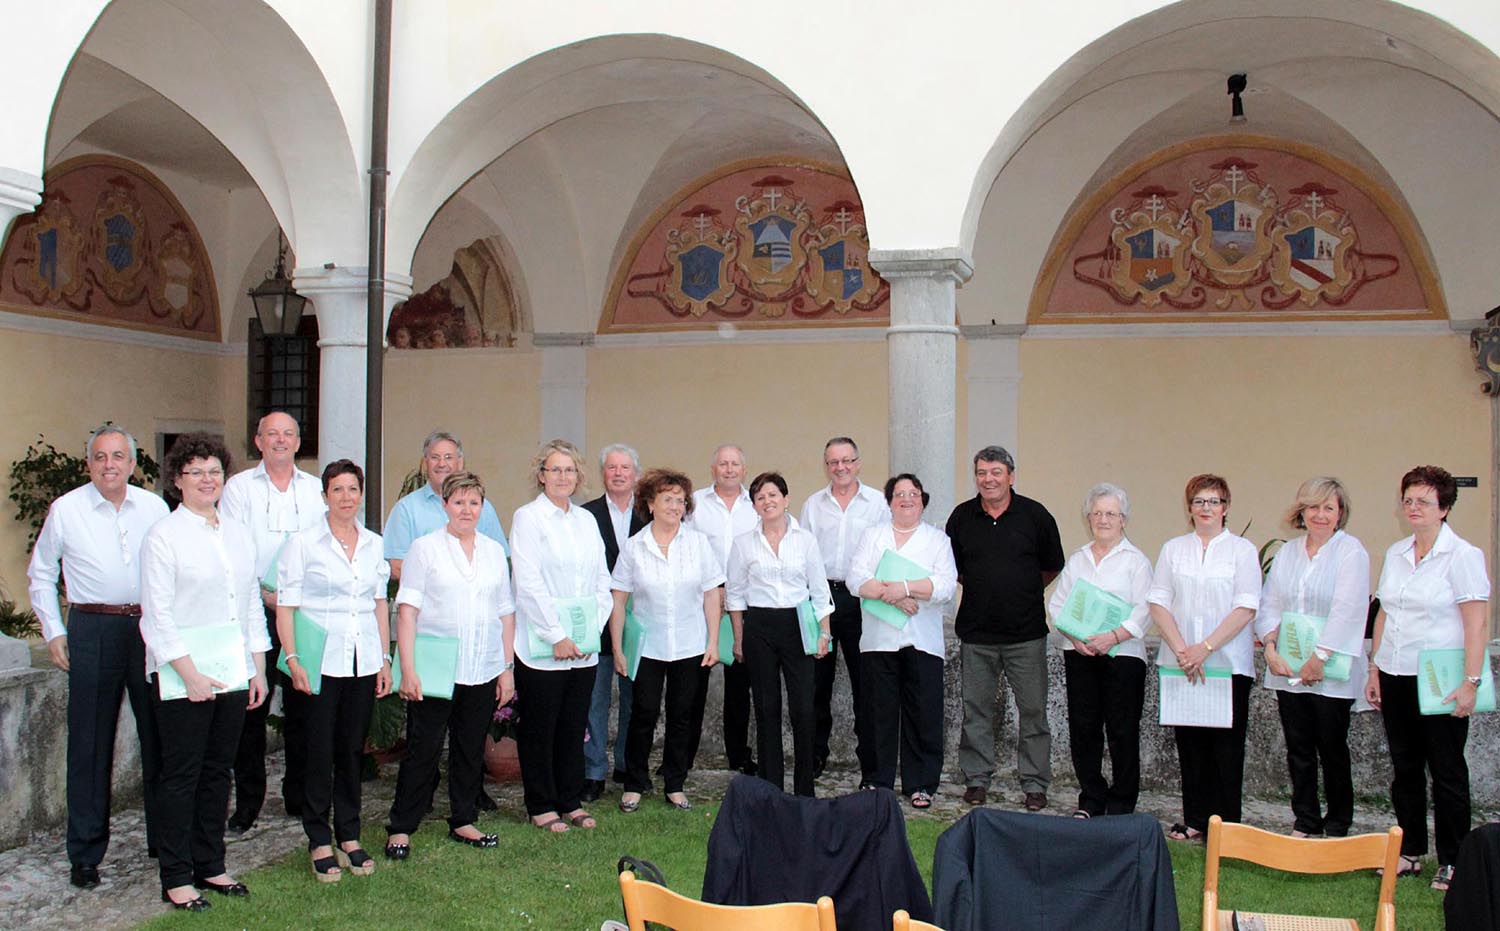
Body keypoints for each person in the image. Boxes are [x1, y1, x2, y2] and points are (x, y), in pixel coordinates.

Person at [28, 424, 169, 890]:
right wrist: (54, 631)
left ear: (133, 464)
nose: (110, 465)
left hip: (147, 628)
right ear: (89, 464)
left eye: (118, 456)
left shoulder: (154, 508)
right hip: (93, 628)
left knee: (161, 736)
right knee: (90, 743)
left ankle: (165, 841)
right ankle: (85, 854)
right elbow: (41, 573)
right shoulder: (66, 510)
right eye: (101, 457)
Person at [139, 433, 268, 911]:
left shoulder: (236, 532)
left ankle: (210, 864)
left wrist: (257, 668)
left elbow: (249, 603)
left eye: (215, 471)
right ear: (177, 480)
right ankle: (176, 875)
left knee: (217, 772)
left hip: (232, 669)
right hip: (183, 674)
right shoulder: (164, 536)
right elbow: (157, 615)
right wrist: (189, 674)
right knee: (182, 775)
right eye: (196, 472)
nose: (207, 480)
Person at [1366, 465, 1489, 891]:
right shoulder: (1397, 553)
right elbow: (1384, 613)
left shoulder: (1463, 556)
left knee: (1447, 770)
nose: (1414, 508)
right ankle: (1410, 851)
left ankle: (1454, 860)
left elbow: (1476, 623)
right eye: (1408, 500)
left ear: (1444, 507)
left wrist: (1471, 681)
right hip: (1396, 672)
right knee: (1405, 768)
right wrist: (1374, 668)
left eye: (1424, 501)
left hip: (1440, 679)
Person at [385, 472, 516, 859]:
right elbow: (407, 611)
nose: (466, 510)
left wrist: (506, 667)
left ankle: (463, 819)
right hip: (435, 669)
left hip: (482, 666)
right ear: (445, 505)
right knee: (423, 749)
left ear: (482, 507)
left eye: (473, 502)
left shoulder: (493, 551)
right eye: (459, 502)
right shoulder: (425, 549)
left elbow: (505, 612)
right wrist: (408, 668)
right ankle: (401, 827)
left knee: (470, 748)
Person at [275, 460, 392, 881]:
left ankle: (349, 834)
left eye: (352, 489)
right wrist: (293, 660)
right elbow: (286, 607)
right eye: (337, 490)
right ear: (324, 496)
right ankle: (319, 839)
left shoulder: (374, 544)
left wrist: (384, 659)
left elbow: (379, 604)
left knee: (350, 751)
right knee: (317, 752)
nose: (346, 497)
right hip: (318, 662)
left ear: (361, 494)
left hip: (361, 659)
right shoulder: (303, 543)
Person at [219, 411, 326, 833]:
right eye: (272, 434)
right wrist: (262, 594)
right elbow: (232, 546)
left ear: (298, 442)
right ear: (258, 441)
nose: (280, 440)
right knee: (251, 708)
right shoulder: (239, 488)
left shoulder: (315, 490)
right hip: (254, 609)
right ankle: (248, 804)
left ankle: (298, 796)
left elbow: (323, 546)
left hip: (303, 613)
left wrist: (296, 598)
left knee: (304, 706)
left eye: (288, 434)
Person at [944, 446, 1064, 810]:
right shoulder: (962, 517)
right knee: (975, 710)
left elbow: (1052, 565)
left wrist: (1020, 590)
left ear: (1011, 476)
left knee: (1033, 712)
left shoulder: (1035, 515)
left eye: (996, 472)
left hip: (1025, 635)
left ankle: (1035, 783)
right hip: (976, 634)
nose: (988, 479)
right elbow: (954, 568)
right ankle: (977, 779)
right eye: (981, 473)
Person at [1148, 474, 1262, 842]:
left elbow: (1246, 607)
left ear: (1226, 507)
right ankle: (1195, 818)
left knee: (1226, 748)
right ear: (1189, 508)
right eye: (1199, 501)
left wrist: (1205, 648)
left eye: (1213, 501)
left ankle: (1226, 827)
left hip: (1227, 663)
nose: (1206, 508)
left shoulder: (1242, 551)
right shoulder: (1173, 549)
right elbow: (1158, 601)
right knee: (1191, 746)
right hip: (1181, 662)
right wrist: (1183, 649)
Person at [1256, 477, 1369, 840]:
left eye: (1329, 508)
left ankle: (1337, 823)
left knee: (1332, 748)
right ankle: (1305, 819)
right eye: (1313, 507)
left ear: (1340, 513)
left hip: (1331, 670)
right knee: (1299, 748)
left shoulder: (1350, 552)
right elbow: (1270, 603)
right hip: (1287, 668)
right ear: (1301, 511)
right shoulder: (1288, 553)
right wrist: (1270, 648)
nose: (1320, 515)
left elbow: (1348, 609)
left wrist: (1319, 658)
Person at [510, 440, 612, 832]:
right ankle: (541, 804)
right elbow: (528, 582)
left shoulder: (586, 521)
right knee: (541, 727)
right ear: (541, 476)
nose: (563, 477)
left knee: (573, 725)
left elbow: (601, 579)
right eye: (555, 469)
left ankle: (570, 799)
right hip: (542, 645)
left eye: (569, 470)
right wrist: (556, 634)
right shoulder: (528, 519)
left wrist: (590, 631)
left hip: (583, 646)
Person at [610, 468, 723, 812]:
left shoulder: (698, 543)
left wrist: (713, 642)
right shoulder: (634, 547)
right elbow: (618, 600)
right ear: (650, 504)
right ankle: (634, 783)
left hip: (690, 644)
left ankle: (675, 783)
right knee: (642, 714)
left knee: (682, 716)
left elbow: (712, 594)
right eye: (667, 499)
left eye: (680, 500)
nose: (675, 506)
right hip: (648, 647)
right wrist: (617, 647)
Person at [846, 473, 956, 809]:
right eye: (899, 494)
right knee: (877, 713)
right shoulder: (873, 535)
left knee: (923, 713)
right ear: (889, 501)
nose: (906, 499)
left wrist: (905, 588)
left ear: (923, 500)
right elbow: (856, 579)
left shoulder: (937, 540)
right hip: (878, 640)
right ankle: (877, 780)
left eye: (913, 493)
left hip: (922, 641)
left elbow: (945, 585)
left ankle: (921, 783)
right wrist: (893, 596)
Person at [1046, 483, 1153, 818]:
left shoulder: (1136, 562)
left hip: (1124, 657)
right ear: (1088, 518)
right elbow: (1058, 606)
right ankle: (1091, 798)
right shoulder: (1078, 559)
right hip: (1080, 653)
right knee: (1084, 728)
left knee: (1122, 730)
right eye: (1097, 513)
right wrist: (1075, 637)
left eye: (1111, 514)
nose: (1103, 520)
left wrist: (1113, 637)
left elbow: (1145, 610)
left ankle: (1121, 803)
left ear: (1123, 520)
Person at [727, 471, 833, 797]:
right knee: (766, 707)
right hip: (759, 627)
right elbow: (735, 595)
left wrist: (824, 634)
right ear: (754, 505)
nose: (767, 501)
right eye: (760, 497)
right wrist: (739, 638)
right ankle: (771, 787)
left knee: (803, 707)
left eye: (773, 495)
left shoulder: (805, 540)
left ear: (786, 500)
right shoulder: (743, 543)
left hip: (797, 625)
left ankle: (804, 789)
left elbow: (819, 591)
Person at [799, 436, 889, 782]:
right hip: (821, 599)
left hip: (862, 601)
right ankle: (814, 757)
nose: (840, 467)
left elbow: (885, 552)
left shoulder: (877, 504)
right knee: (815, 685)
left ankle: (870, 766)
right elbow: (804, 554)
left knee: (866, 687)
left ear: (858, 463)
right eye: (833, 462)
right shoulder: (813, 505)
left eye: (847, 460)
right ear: (826, 466)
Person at [684, 443, 759, 775]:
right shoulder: (695, 504)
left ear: (744, 470)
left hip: (745, 603)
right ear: (712, 469)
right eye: (723, 464)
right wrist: (715, 590)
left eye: (735, 464)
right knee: (693, 682)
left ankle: (738, 755)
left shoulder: (757, 503)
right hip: (702, 601)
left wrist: (736, 592)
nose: (729, 469)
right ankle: (683, 754)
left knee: (740, 685)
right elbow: (684, 547)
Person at [580, 443, 645, 802]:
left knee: (637, 699)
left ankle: (627, 764)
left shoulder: (650, 513)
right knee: (595, 699)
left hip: (639, 620)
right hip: (597, 619)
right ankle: (593, 771)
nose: (618, 473)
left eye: (625, 468)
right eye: (611, 467)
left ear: (636, 474)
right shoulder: (585, 516)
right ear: (602, 473)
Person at [385, 430, 509, 580]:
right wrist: (443, 585)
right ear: (425, 463)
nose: (442, 464)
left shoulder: (483, 508)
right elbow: (396, 566)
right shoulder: (405, 509)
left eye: (448, 457)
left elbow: (499, 560)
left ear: (460, 462)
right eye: (435, 457)